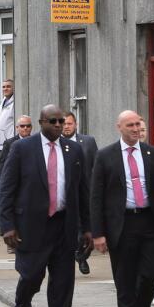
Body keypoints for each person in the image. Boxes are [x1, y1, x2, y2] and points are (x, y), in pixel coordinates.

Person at [0, 105, 92, 307]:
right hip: (32, 228)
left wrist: (88, 229)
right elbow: (6, 188)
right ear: (41, 122)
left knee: (62, 288)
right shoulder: (22, 149)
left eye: (62, 121)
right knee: (29, 279)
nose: (59, 125)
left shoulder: (74, 151)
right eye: (53, 121)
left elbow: (82, 192)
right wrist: (7, 225)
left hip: (64, 227)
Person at [90, 110, 154, 307]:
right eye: (131, 125)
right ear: (120, 127)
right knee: (125, 279)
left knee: (152, 273)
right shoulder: (106, 156)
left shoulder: (152, 154)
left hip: (149, 222)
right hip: (121, 225)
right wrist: (98, 233)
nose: (136, 128)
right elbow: (96, 197)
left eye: (138, 123)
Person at [61, 112, 98, 275]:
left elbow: (96, 166)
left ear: (75, 124)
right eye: (64, 124)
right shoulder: (56, 144)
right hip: (66, 196)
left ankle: (82, 255)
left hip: (86, 193)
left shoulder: (88, 142)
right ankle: (78, 256)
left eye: (69, 123)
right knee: (74, 231)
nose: (66, 127)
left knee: (89, 230)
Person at [0, 79, 16, 155]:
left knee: (8, 167)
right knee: (1, 167)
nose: (5, 89)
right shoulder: (3, 102)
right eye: (3, 87)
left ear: (13, 88)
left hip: (8, 145)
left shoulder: (14, 103)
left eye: (8, 86)